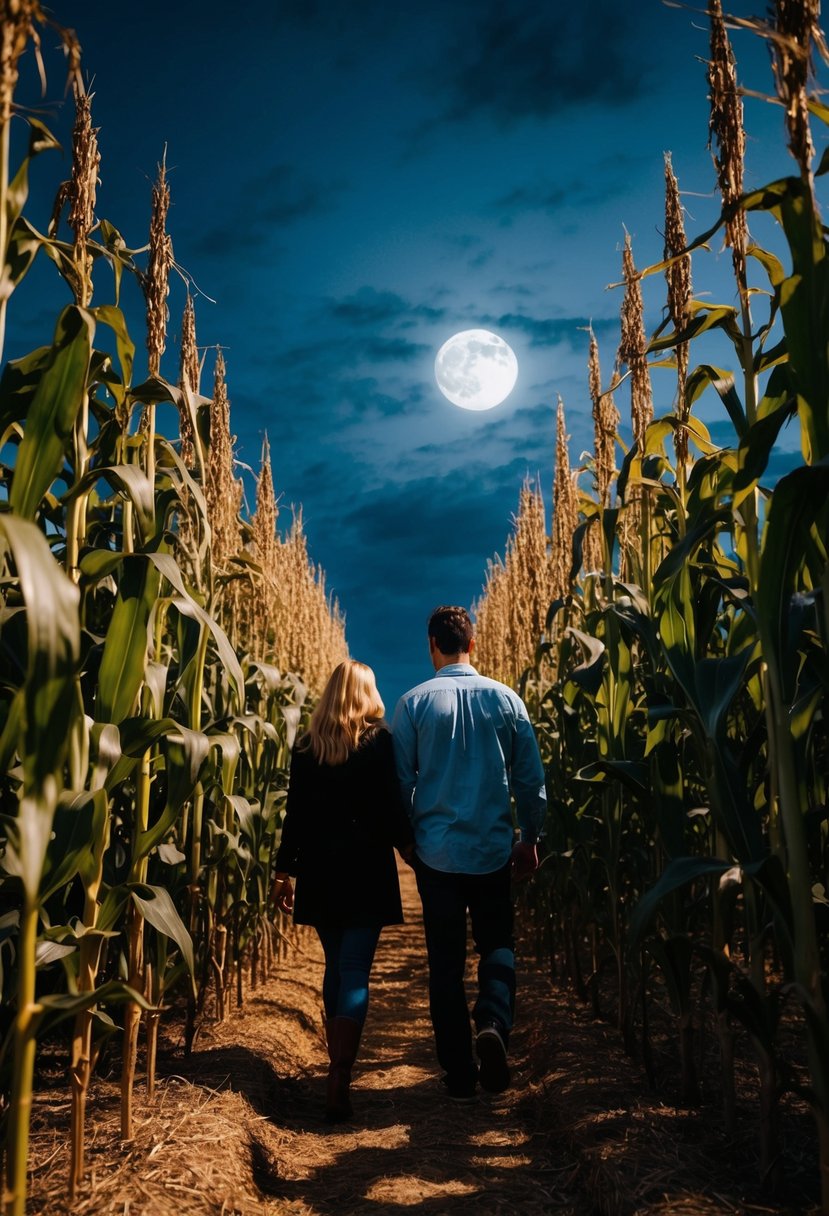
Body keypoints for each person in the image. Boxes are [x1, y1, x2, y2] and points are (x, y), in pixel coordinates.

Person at [391, 605, 546, 1103]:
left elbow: (400, 784)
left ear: (432, 645)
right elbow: (530, 782)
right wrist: (531, 837)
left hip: (436, 856)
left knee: (445, 963)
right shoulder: (506, 700)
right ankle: (495, 1023)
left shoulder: (413, 704)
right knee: (497, 943)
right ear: (472, 645)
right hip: (493, 849)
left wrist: (407, 845)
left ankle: (459, 1074)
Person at [270, 659, 414, 1123]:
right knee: (354, 968)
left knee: (336, 965)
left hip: (322, 871)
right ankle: (340, 1073)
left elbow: (295, 816)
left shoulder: (308, 747)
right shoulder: (379, 744)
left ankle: (335, 1070)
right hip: (367, 870)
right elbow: (393, 808)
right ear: (367, 695)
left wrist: (283, 872)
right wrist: (412, 851)